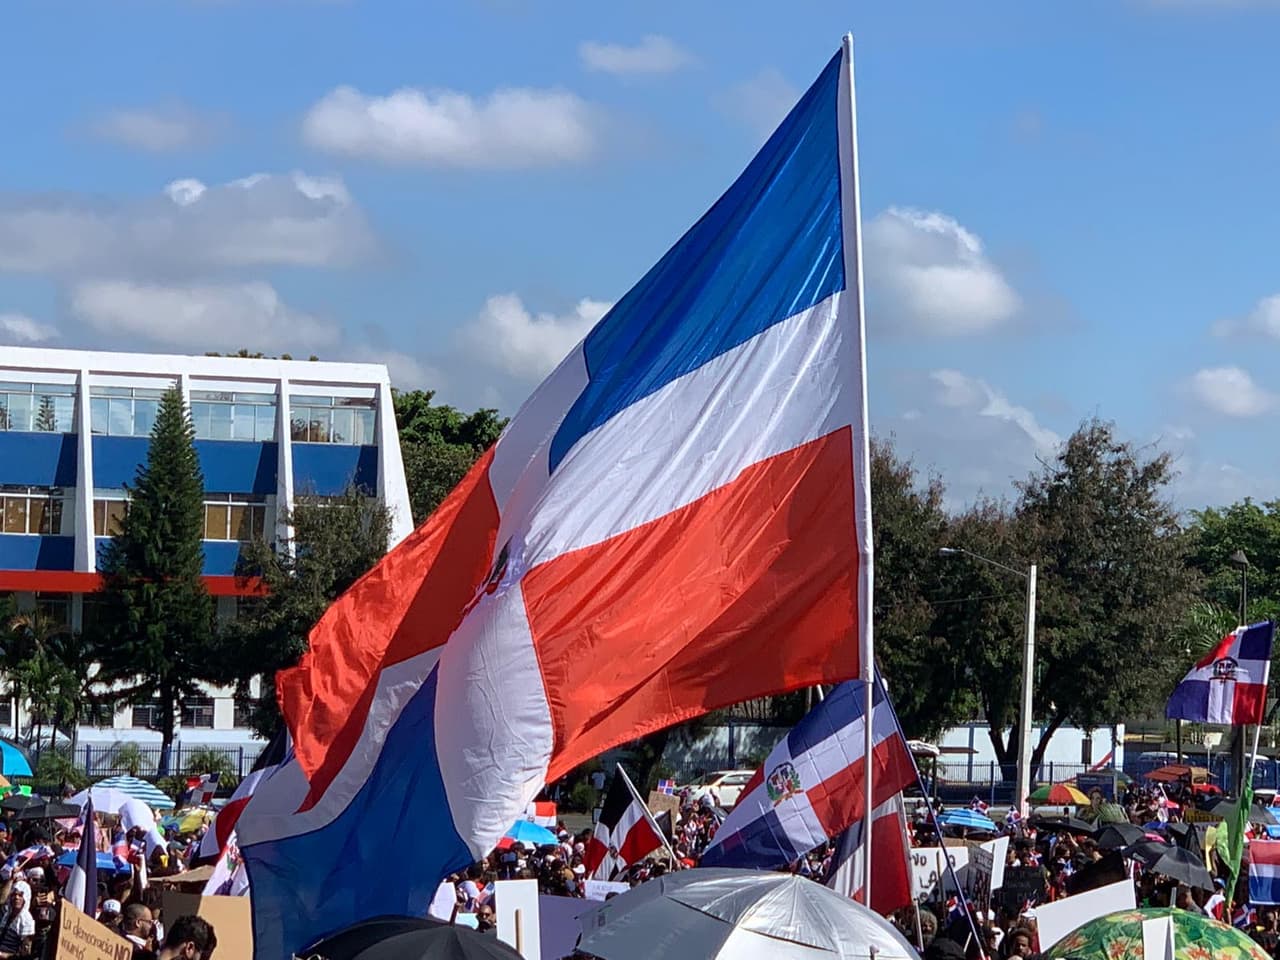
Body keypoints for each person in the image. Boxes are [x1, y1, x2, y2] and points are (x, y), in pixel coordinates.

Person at [0, 881, 33, 959]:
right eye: (14, 894)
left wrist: (3, 955)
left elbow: (25, 954)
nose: (16, 897)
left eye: (20, 895)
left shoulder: (27, 921)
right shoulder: (6, 914)